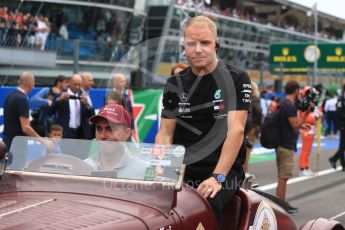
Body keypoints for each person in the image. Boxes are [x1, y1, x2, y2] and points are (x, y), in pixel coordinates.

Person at [155, 16, 251, 225]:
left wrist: (218, 177)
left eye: (205, 42)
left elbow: (237, 131)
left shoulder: (237, 77)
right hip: (183, 168)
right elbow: (165, 133)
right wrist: (161, 168)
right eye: (191, 43)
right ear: (184, 45)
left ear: (216, 44)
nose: (198, 49)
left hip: (223, 171)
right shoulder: (175, 82)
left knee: (204, 206)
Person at [275, 80, 313, 211]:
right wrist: (306, 114)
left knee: (283, 176)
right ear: (296, 91)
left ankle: (282, 204)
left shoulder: (283, 103)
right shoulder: (289, 106)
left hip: (282, 143)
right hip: (286, 145)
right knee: (283, 177)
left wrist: (302, 124)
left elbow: (291, 124)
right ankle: (280, 206)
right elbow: (295, 126)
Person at [84, 104, 148, 179]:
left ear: (127, 133)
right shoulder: (84, 166)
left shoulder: (143, 170)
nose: (102, 136)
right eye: (99, 129)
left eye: (110, 129)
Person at [3, 72, 53, 161]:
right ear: (31, 83)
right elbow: (25, 127)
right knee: (16, 172)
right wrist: (43, 140)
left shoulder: (10, 96)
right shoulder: (22, 99)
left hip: (7, 142)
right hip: (17, 145)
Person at [48, 74, 95, 139]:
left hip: (81, 133)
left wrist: (87, 105)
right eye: (75, 84)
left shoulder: (84, 95)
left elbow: (92, 116)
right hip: (65, 133)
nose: (77, 87)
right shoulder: (61, 95)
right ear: (70, 82)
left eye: (79, 85)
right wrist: (58, 100)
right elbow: (50, 112)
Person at [298, 86, 320, 176]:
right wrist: (315, 116)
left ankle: (306, 166)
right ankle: (302, 168)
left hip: (311, 129)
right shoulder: (304, 103)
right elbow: (305, 117)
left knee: (308, 150)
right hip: (306, 129)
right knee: (305, 150)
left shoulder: (311, 103)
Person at [243, 82, 262, 175]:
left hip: (243, 126)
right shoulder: (255, 99)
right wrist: (258, 125)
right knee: (247, 150)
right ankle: (244, 171)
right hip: (251, 128)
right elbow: (258, 112)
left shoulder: (245, 99)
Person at [329, 84, 345, 171]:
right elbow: (339, 112)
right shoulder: (341, 99)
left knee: (343, 146)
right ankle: (343, 165)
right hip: (343, 125)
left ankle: (334, 159)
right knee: (342, 145)